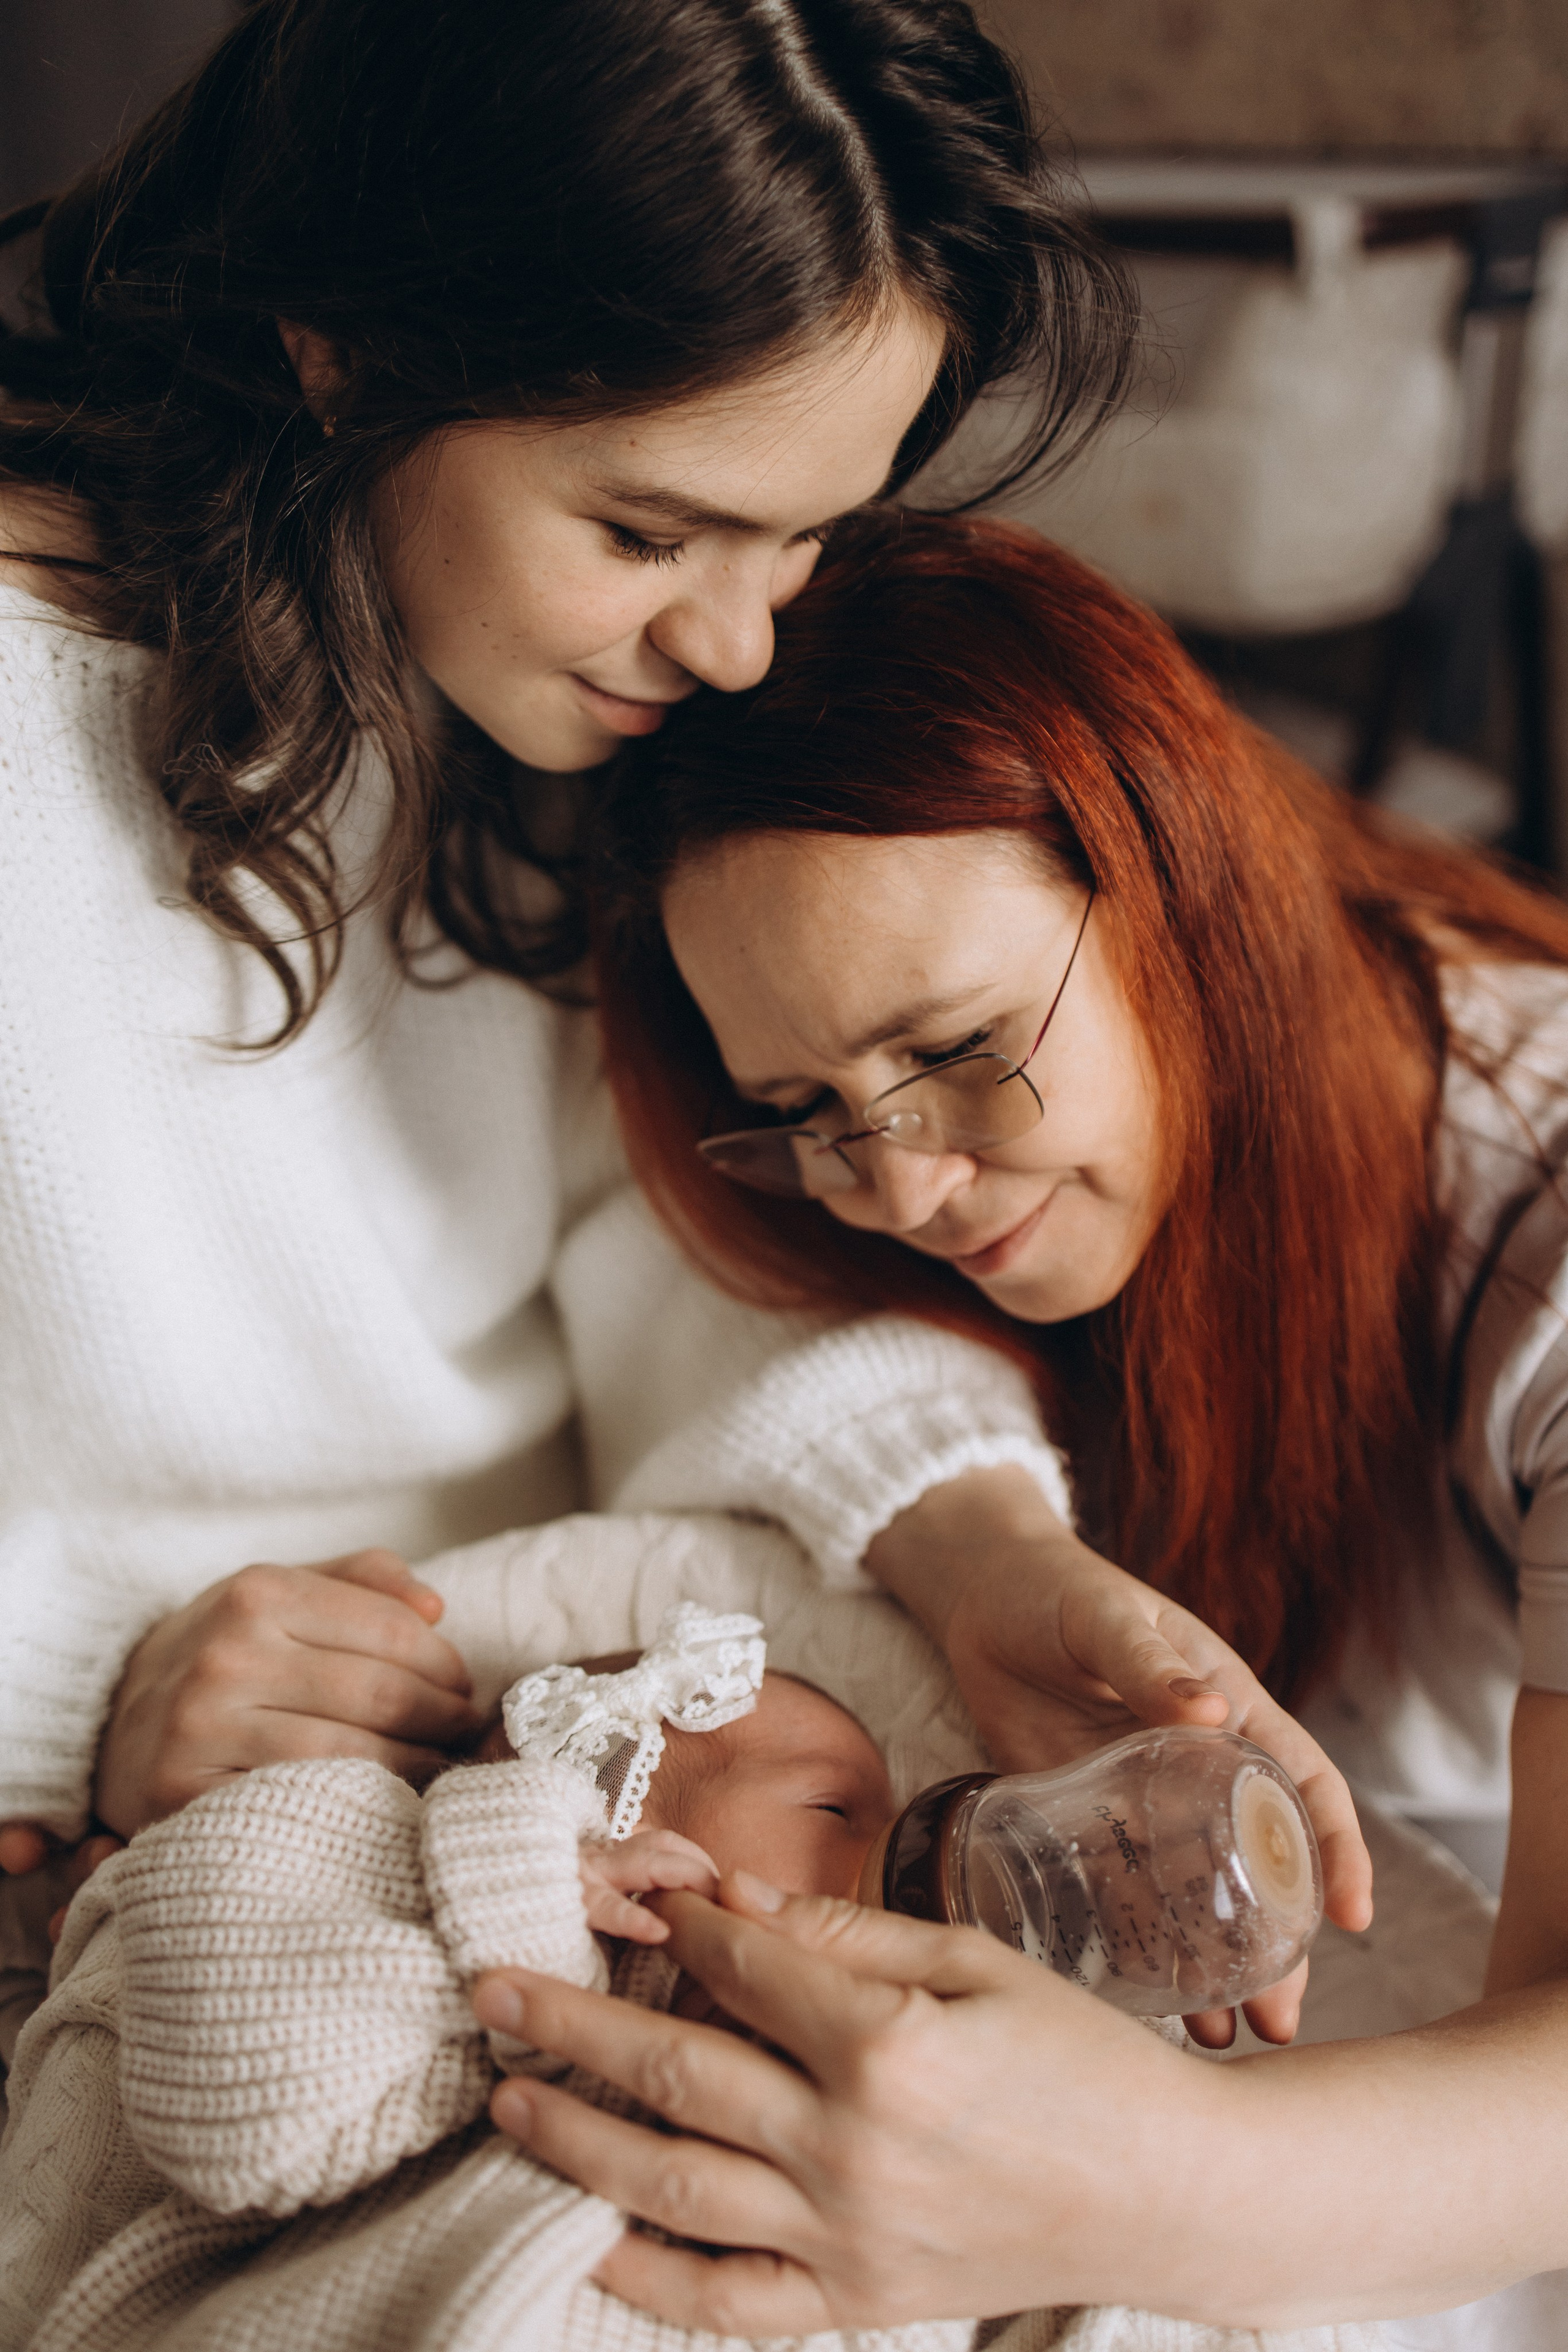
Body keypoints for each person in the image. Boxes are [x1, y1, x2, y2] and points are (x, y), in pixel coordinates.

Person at [0, 0, 1205, 2048]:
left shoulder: (543, 681)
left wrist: (976, 1539)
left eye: (803, 534)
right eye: (647, 532)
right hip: (153, 1856)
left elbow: (676, 1224)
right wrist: (70, 1687)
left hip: (609, 1719)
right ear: (343, 340)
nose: (738, 644)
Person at [470, 508, 1568, 2333]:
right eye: (808, 1106)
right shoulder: (886, 1204)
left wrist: (1139, 2196)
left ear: (1181, 883)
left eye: (961, 1046)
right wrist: (988, 1551)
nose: (899, 1190)